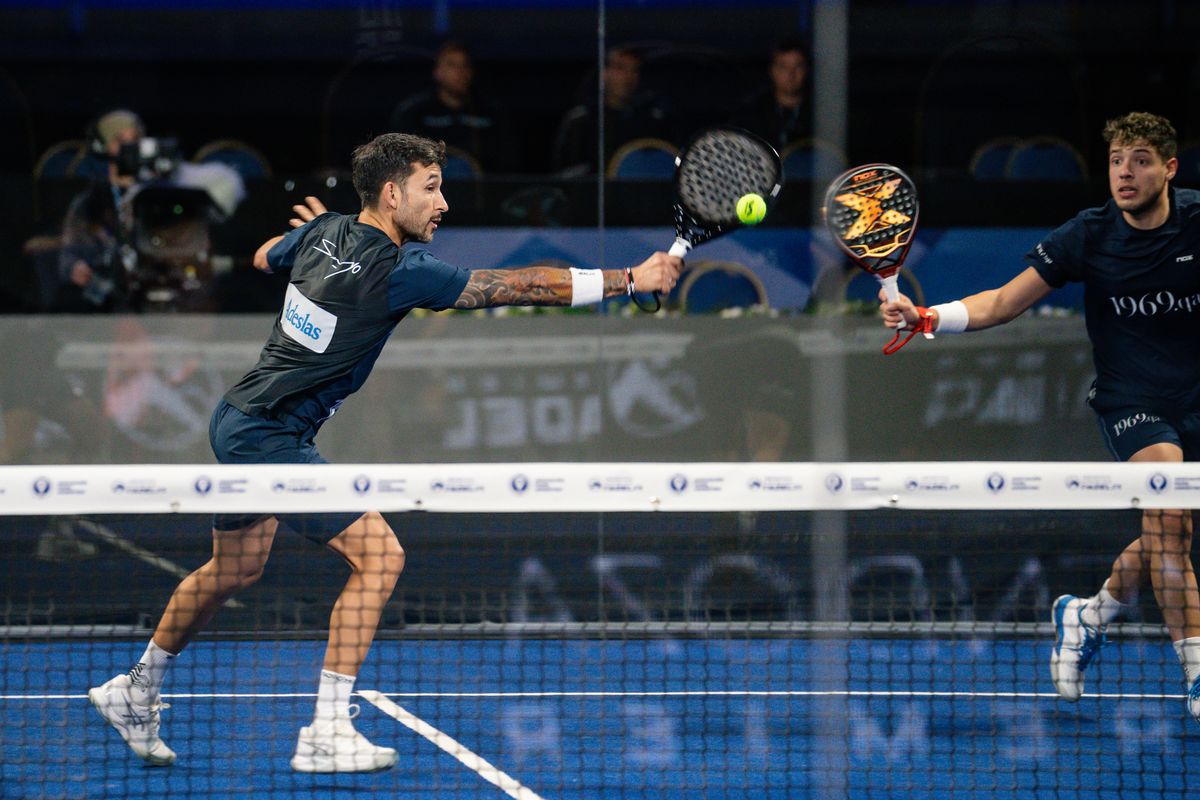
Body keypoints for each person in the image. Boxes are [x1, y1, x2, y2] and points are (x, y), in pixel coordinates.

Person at [88, 132, 683, 772]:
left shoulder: (327, 231)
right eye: (431, 188)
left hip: (236, 419)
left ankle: (134, 689)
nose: (443, 204)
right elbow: (518, 285)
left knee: (234, 570)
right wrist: (629, 278)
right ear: (393, 193)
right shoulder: (401, 270)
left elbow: (264, 257)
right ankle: (325, 731)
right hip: (269, 437)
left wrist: (315, 242)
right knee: (380, 556)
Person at [880, 111, 1200, 722]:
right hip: (1134, 404)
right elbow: (1002, 302)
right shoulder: (1089, 233)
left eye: (1140, 160)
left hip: (1196, 398)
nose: (1125, 173)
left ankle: (1088, 614)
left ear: (1170, 168)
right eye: (1116, 160)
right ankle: (1198, 671)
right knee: (1170, 509)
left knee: (1171, 534)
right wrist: (925, 317)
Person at [387, 41, 516, 173]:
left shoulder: (490, 113)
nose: (460, 72)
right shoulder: (413, 112)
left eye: (465, 65)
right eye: (452, 65)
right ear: (437, 71)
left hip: (480, 188)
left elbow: (507, 161)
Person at [551, 45, 669, 177]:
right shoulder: (581, 120)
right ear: (604, 73)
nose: (628, 77)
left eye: (634, 70)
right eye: (620, 68)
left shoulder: (651, 120)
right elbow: (564, 174)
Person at [729, 37, 812, 154]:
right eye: (783, 66)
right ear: (772, 70)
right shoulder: (752, 113)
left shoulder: (821, 115)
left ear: (806, 70)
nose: (791, 74)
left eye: (798, 66)